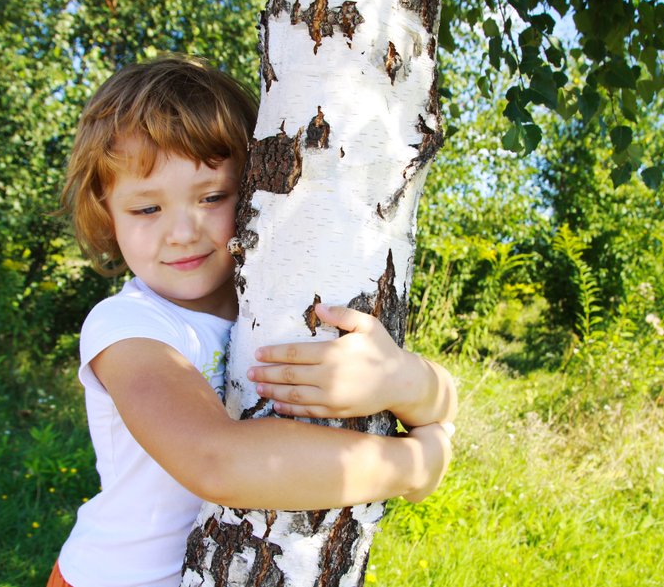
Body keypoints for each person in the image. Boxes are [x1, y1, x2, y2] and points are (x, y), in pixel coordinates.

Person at [48, 54, 457, 587]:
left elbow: (443, 398)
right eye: (146, 209)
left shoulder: (281, 307)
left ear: (258, 186)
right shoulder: (128, 328)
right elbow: (217, 463)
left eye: (213, 196)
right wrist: (411, 465)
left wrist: (407, 383)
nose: (181, 232)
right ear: (106, 212)